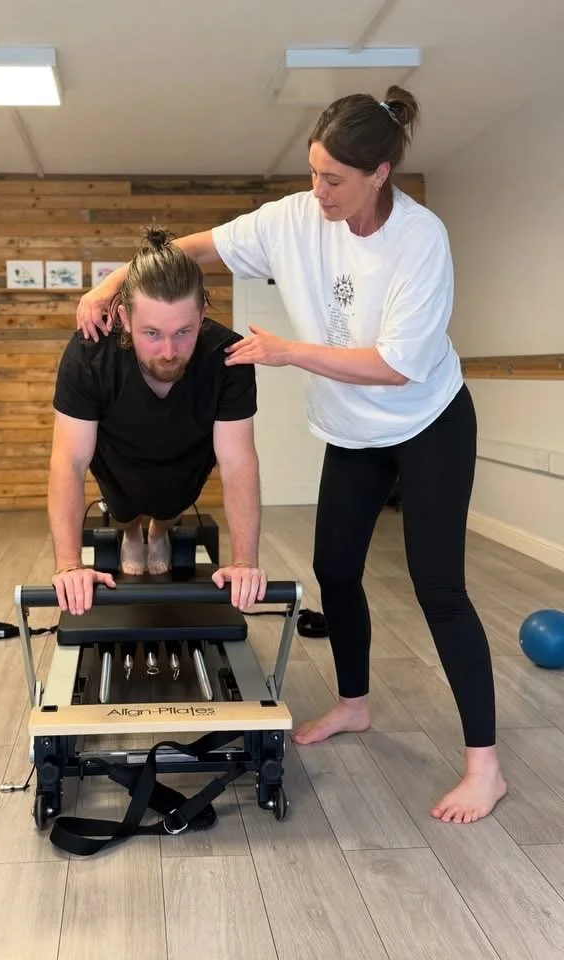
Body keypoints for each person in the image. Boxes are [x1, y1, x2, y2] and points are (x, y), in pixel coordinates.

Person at [75, 86, 508, 825]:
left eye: (334, 178)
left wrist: (284, 351)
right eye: (312, 172)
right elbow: (196, 247)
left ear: (379, 172)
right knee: (336, 570)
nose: (318, 191)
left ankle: (484, 767)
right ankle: (354, 703)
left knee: (439, 587)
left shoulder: (420, 239)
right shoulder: (296, 218)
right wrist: (115, 279)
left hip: (428, 421)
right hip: (353, 432)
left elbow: (398, 365)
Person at [48, 227, 268, 616]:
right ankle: (132, 530)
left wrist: (245, 562)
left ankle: (160, 529)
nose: (169, 351)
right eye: (152, 333)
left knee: (169, 505)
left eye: (184, 331)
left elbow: (238, 463)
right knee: (124, 509)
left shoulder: (228, 358)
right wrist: (69, 565)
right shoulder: (89, 354)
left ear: (202, 314)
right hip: (117, 457)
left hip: (186, 457)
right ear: (123, 318)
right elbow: (69, 462)